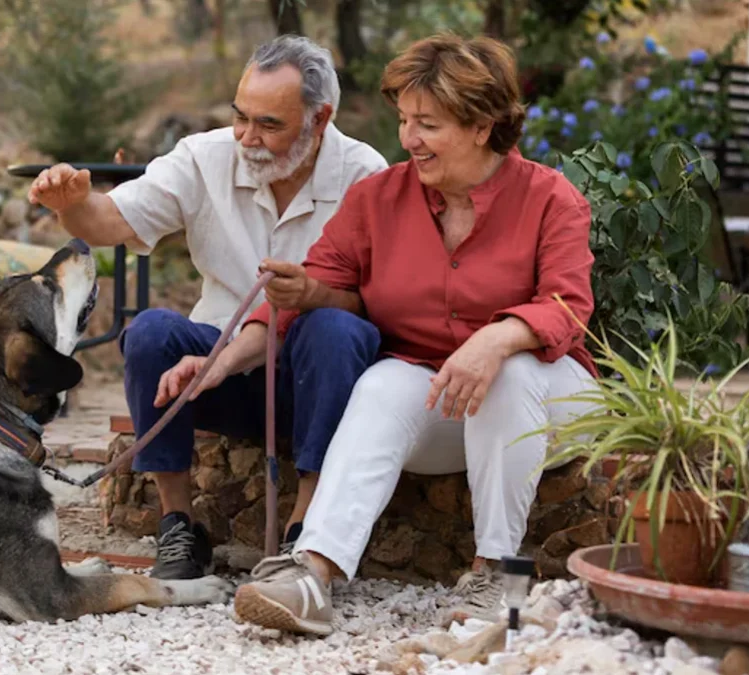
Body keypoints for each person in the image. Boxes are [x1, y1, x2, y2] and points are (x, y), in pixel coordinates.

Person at [162, 33, 600, 635]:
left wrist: (494, 339)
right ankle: (312, 574)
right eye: (404, 120)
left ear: (483, 126)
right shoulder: (378, 198)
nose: (408, 139)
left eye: (428, 124)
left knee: (510, 372)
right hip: (442, 398)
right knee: (383, 383)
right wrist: (221, 362)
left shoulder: (551, 198)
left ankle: (499, 573)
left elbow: (568, 307)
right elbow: (308, 289)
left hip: (549, 401)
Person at [27, 35, 389, 580]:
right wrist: (74, 205)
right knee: (151, 332)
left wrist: (312, 296)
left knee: (336, 329)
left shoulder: (365, 173)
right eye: (240, 116)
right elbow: (110, 222)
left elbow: (376, 301)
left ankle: (305, 531)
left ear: (320, 119)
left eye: (269, 124)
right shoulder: (204, 156)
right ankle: (178, 526)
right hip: (216, 372)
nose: (247, 137)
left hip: (316, 379)